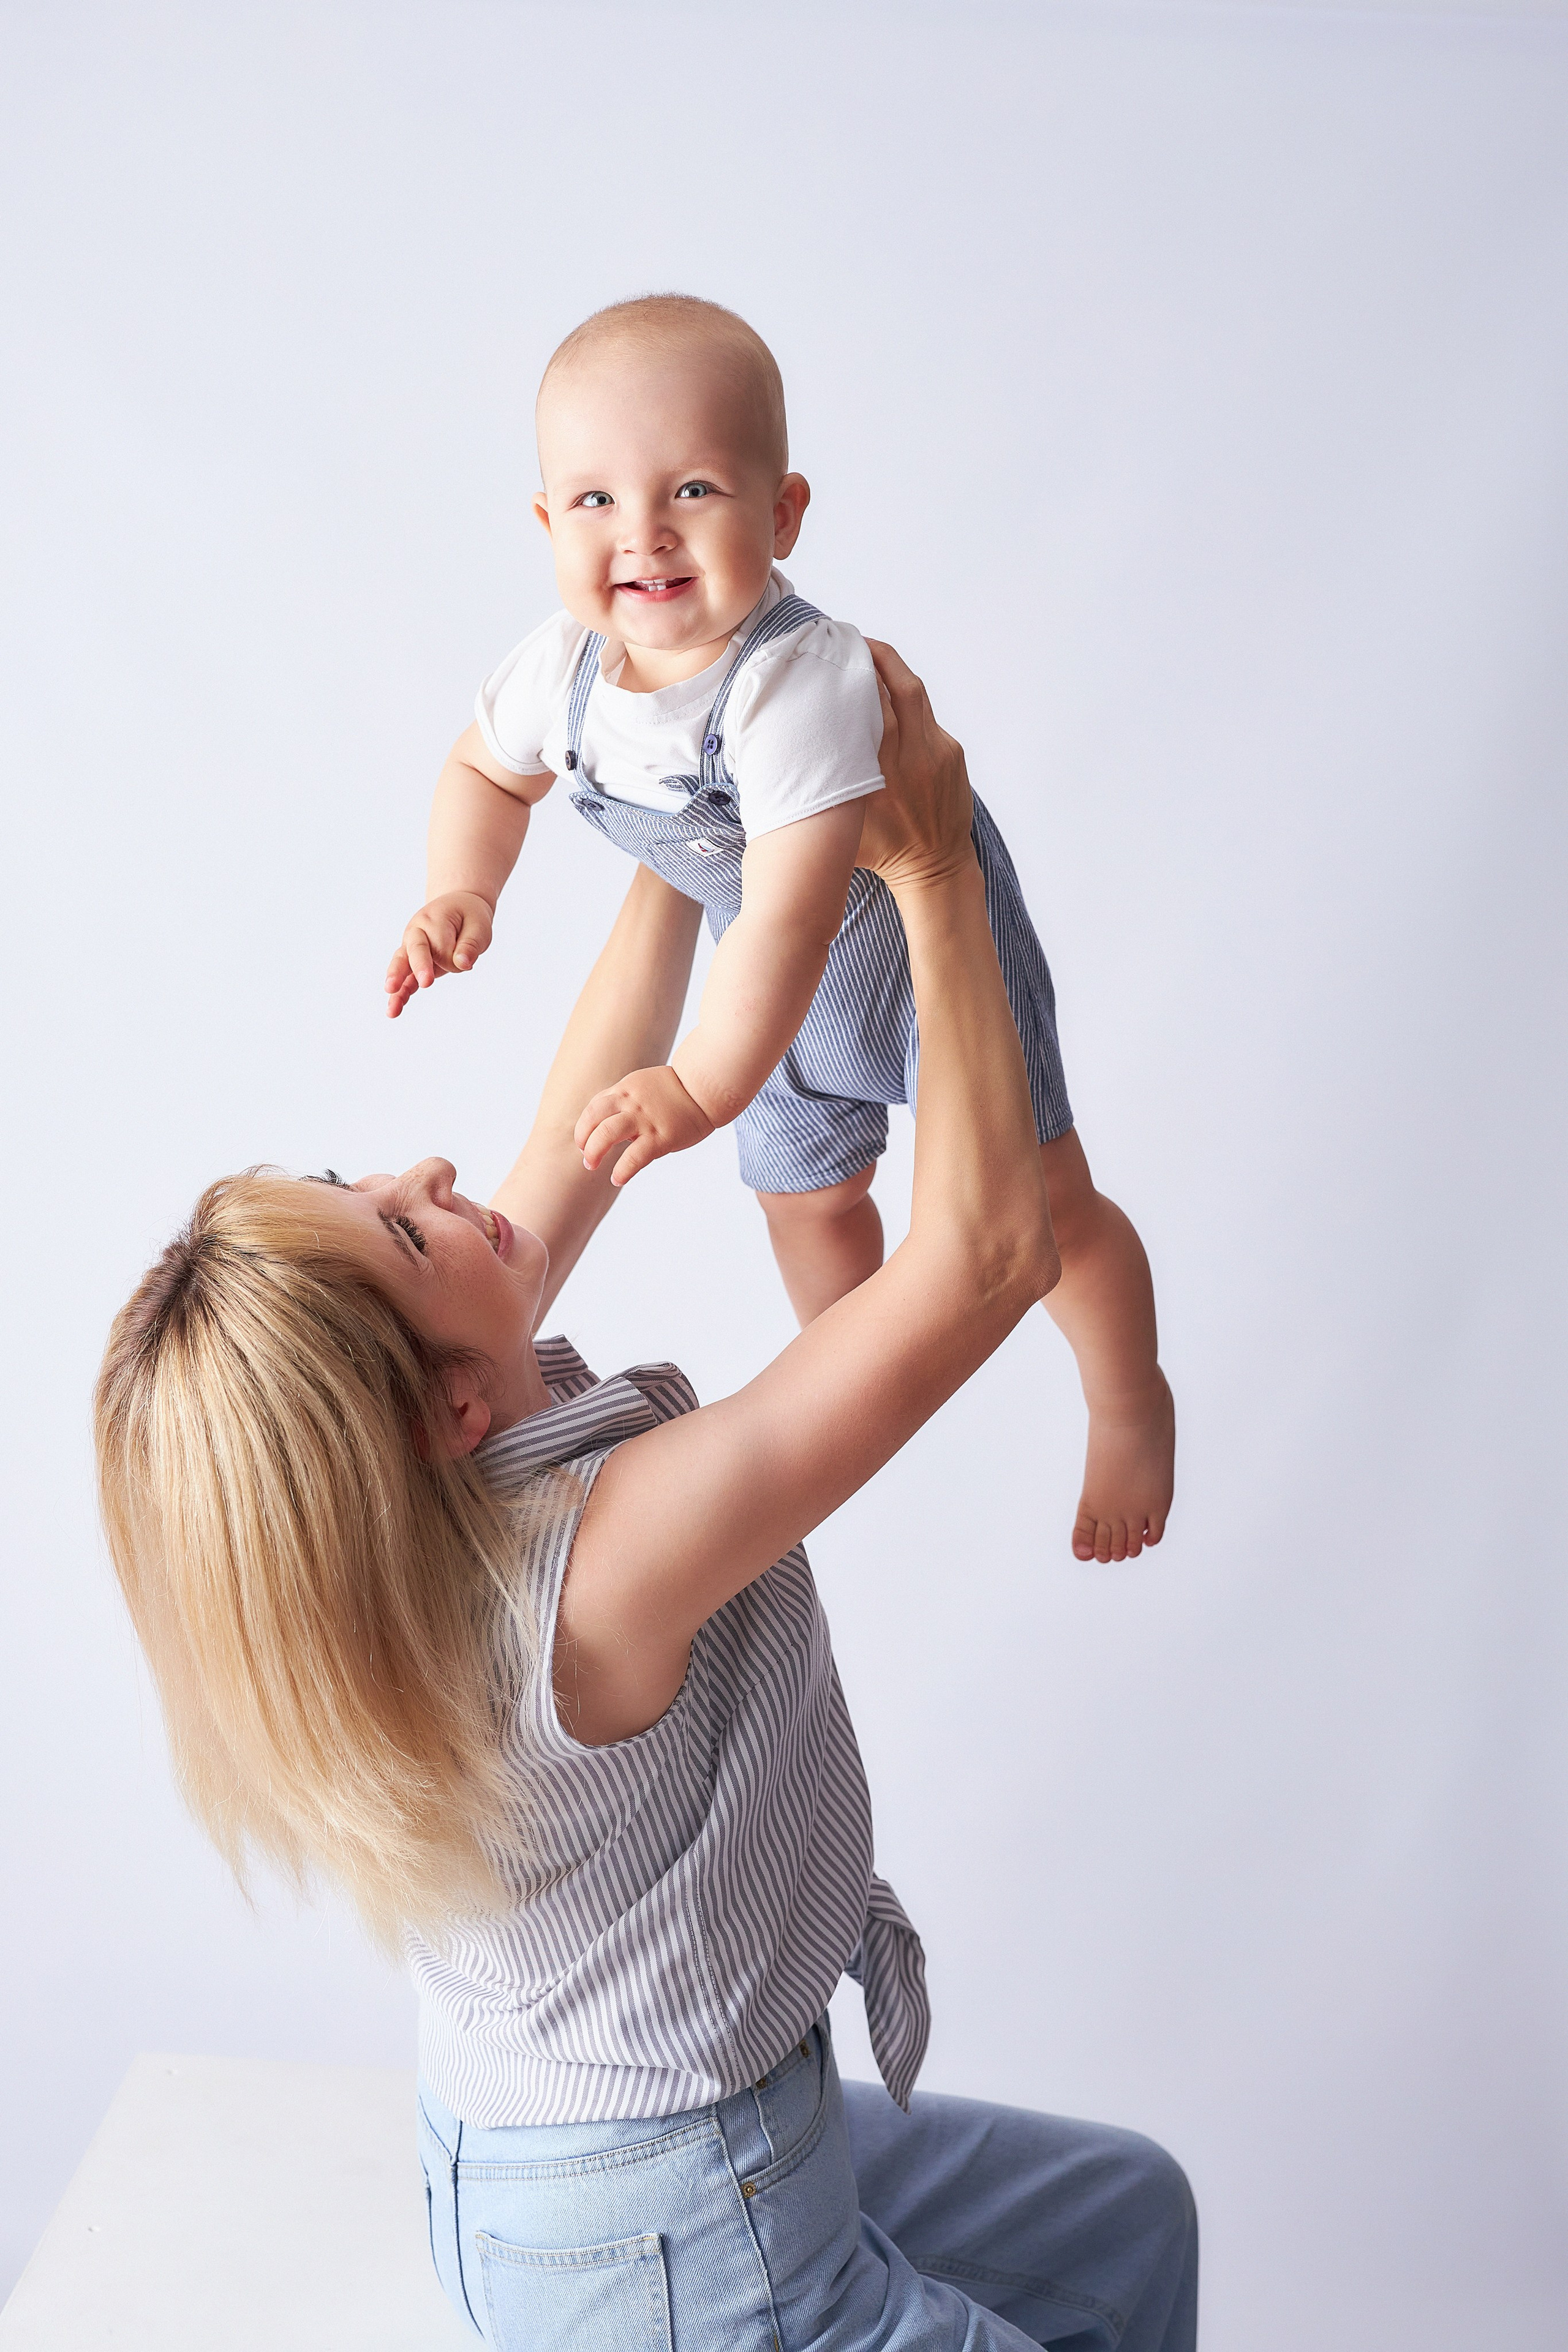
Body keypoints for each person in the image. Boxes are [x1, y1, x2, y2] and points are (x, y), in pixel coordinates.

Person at [99, 653, 1197, 2347]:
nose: (434, 1174)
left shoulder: (416, 1496)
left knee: (1126, 2222)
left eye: (354, 1182)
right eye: (400, 1226)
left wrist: (679, 788)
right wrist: (925, 870)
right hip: (679, 2239)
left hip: (576, 2163)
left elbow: (585, 1119)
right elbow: (982, 1262)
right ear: (452, 1409)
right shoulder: (592, 1579)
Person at [385, 292, 1174, 1566]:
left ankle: (1127, 1392)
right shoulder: (560, 672)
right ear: (544, 522)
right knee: (805, 1204)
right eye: (592, 500)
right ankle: (864, 1367)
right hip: (761, 1000)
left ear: (781, 513)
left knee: (1050, 1204)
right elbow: (483, 775)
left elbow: (792, 916)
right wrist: (463, 888)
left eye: (690, 489)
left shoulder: (791, 683)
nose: (640, 533)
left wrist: (699, 1087)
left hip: (907, 959)